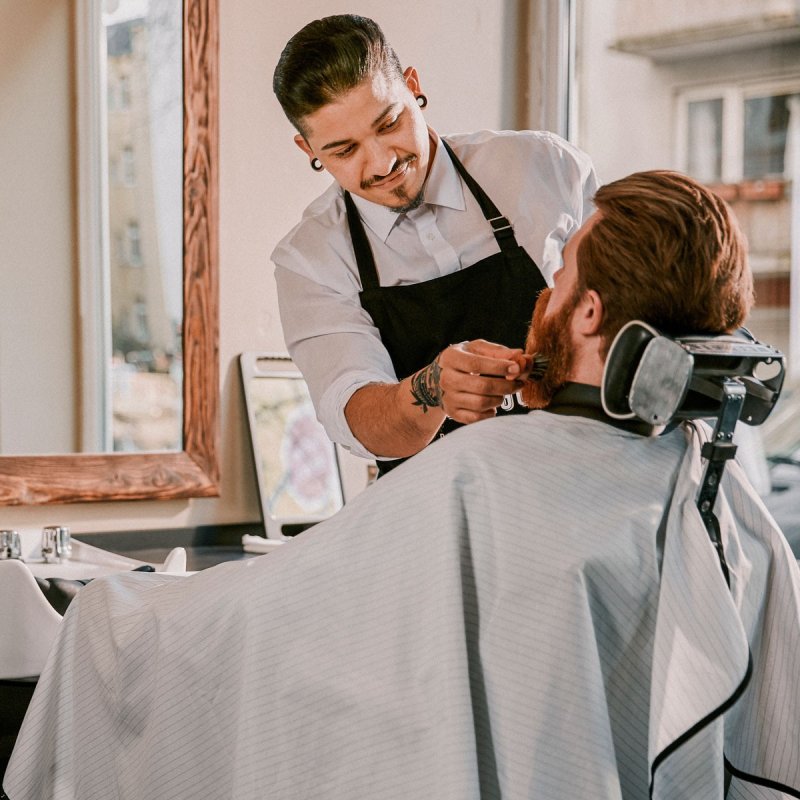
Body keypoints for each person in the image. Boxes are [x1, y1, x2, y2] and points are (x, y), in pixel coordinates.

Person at [5, 171, 800, 800]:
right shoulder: (719, 492)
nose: (542, 295)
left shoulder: (483, 475)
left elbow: (248, 630)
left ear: (589, 314)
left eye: (556, 277)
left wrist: (116, 613)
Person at [271, 14, 599, 474]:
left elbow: (622, 304)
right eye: (345, 151)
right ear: (310, 151)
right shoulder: (311, 259)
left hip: (583, 473)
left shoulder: (543, 167)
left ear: (413, 86)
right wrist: (433, 388)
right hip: (435, 518)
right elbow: (358, 415)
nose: (382, 163)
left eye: (389, 123)